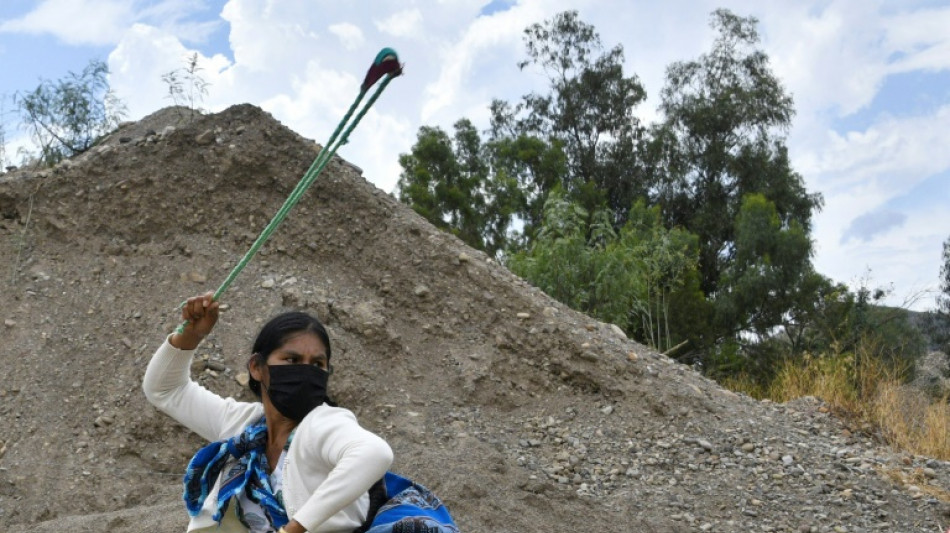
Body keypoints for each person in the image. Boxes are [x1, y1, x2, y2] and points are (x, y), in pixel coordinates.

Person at [144, 292, 393, 533]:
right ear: (256, 367)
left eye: (317, 364)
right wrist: (191, 335)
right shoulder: (244, 426)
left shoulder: (324, 424)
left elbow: (374, 453)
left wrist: (295, 528)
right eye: (292, 360)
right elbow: (165, 390)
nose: (305, 372)